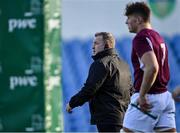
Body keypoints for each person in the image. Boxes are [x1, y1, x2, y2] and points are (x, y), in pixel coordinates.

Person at [122, 1, 176, 132]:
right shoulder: (158, 36)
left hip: (149, 98)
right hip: (165, 96)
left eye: (129, 18)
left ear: (139, 19)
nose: (126, 22)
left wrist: (142, 95)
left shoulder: (141, 38)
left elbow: (152, 67)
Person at [66, 32, 133, 132]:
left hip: (107, 119)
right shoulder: (124, 65)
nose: (93, 46)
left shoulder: (101, 63)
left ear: (107, 45)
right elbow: (131, 91)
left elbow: (89, 89)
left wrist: (72, 103)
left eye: (96, 43)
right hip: (124, 117)